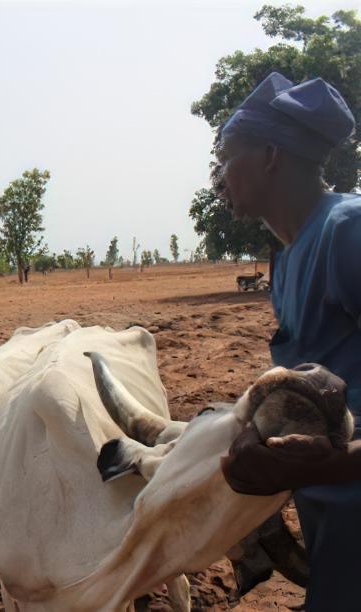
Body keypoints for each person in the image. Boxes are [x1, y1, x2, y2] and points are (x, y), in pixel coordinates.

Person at [215, 72, 360, 610]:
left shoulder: (347, 232)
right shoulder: (290, 256)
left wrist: (334, 463)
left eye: (228, 156)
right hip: (332, 524)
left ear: (271, 155)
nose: (221, 175)